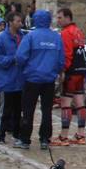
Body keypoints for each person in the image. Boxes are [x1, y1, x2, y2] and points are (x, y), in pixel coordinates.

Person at [16, 9, 64, 150]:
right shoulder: (56, 37)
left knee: (28, 110)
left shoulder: (30, 36)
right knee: (47, 110)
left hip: (32, 79)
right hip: (48, 80)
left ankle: (25, 139)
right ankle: (44, 139)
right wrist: (55, 72)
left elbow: (20, 57)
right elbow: (61, 60)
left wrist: (25, 69)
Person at [54, 7, 86, 145]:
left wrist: (62, 70)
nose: (58, 20)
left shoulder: (66, 33)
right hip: (81, 70)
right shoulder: (79, 32)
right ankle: (81, 135)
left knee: (66, 104)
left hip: (71, 72)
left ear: (68, 17)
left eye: (60, 17)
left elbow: (67, 54)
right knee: (80, 103)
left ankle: (63, 136)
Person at [0, 12, 25, 143]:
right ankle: (1, 134)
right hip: (7, 79)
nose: (20, 23)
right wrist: (11, 59)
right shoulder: (1, 38)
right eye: (18, 21)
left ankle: (17, 134)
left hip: (20, 79)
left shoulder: (23, 36)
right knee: (6, 109)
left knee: (18, 110)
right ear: (11, 22)